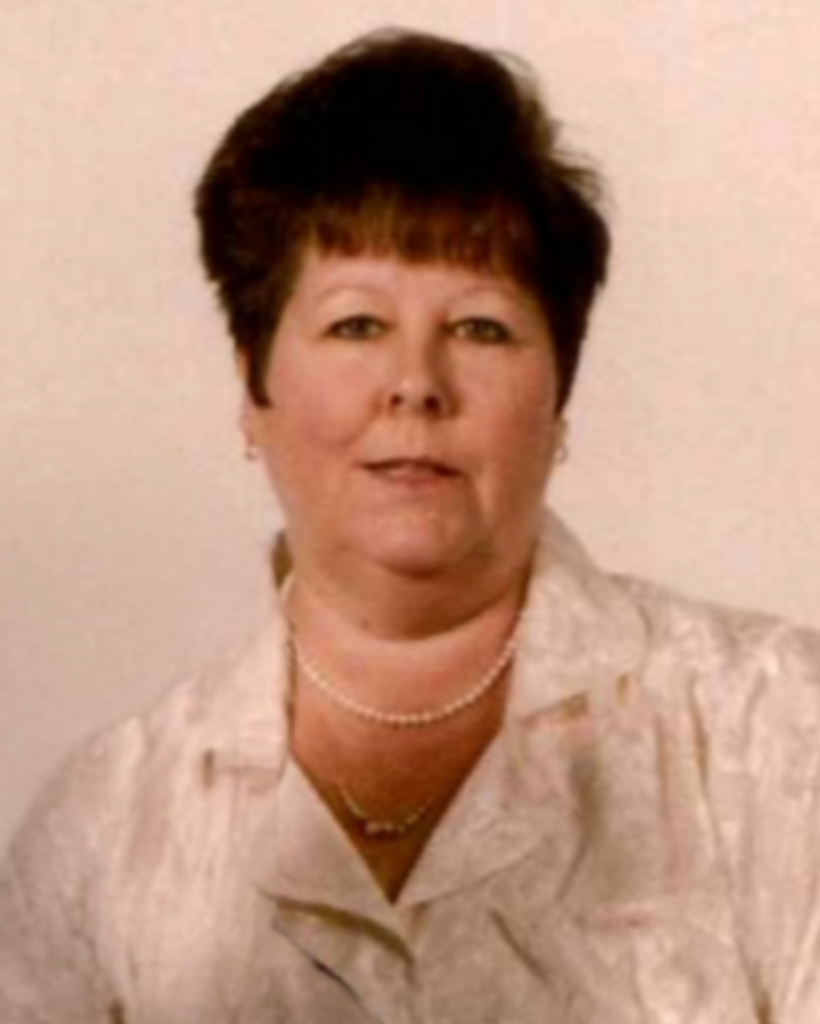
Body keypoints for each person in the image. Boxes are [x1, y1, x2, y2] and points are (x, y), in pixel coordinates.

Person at [1, 27, 819, 1024]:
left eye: (480, 327)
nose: (415, 385)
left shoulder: (775, 728)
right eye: (356, 325)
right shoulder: (108, 826)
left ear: (558, 401)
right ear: (252, 389)